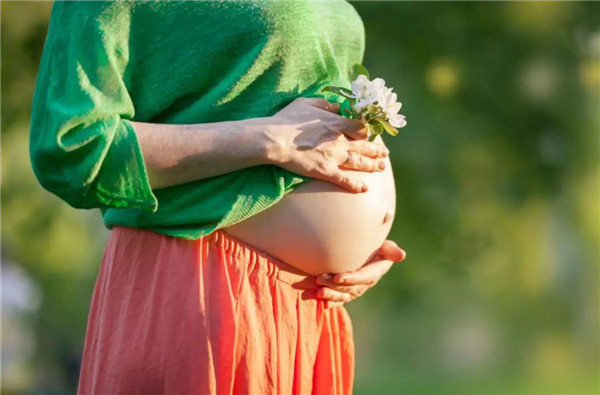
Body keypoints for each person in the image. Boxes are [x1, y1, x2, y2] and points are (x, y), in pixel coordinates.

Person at [29, 1, 407, 394]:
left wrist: (362, 243)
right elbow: (73, 149)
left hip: (312, 305)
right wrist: (271, 140)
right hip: (206, 286)